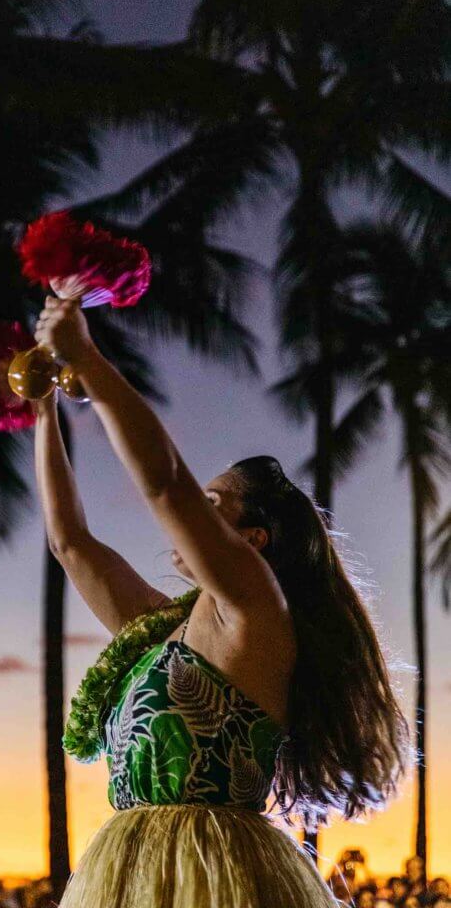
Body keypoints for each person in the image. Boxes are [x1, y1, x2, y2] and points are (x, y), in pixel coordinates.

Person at [33, 297, 410, 908]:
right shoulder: (164, 630)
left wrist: (90, 362)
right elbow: (70, 543)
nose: (192, 517)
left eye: (213, 504)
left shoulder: (256, 608)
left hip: (213, 874)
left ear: (253, 540)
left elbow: (163, 485)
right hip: (129, 872)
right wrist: (42, 407)